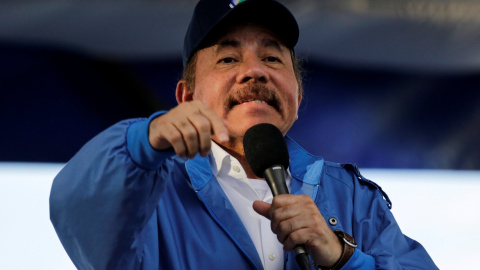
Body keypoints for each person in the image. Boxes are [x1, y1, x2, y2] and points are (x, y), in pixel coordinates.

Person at [50, 0, 438, 269]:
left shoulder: (353, 198)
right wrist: (140, 142)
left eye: (271, 58)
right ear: (187, 96)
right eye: (228, 58)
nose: (255, 72)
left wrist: (341, 257)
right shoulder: (148, 192)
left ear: (298, 97)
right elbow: (78, 210)